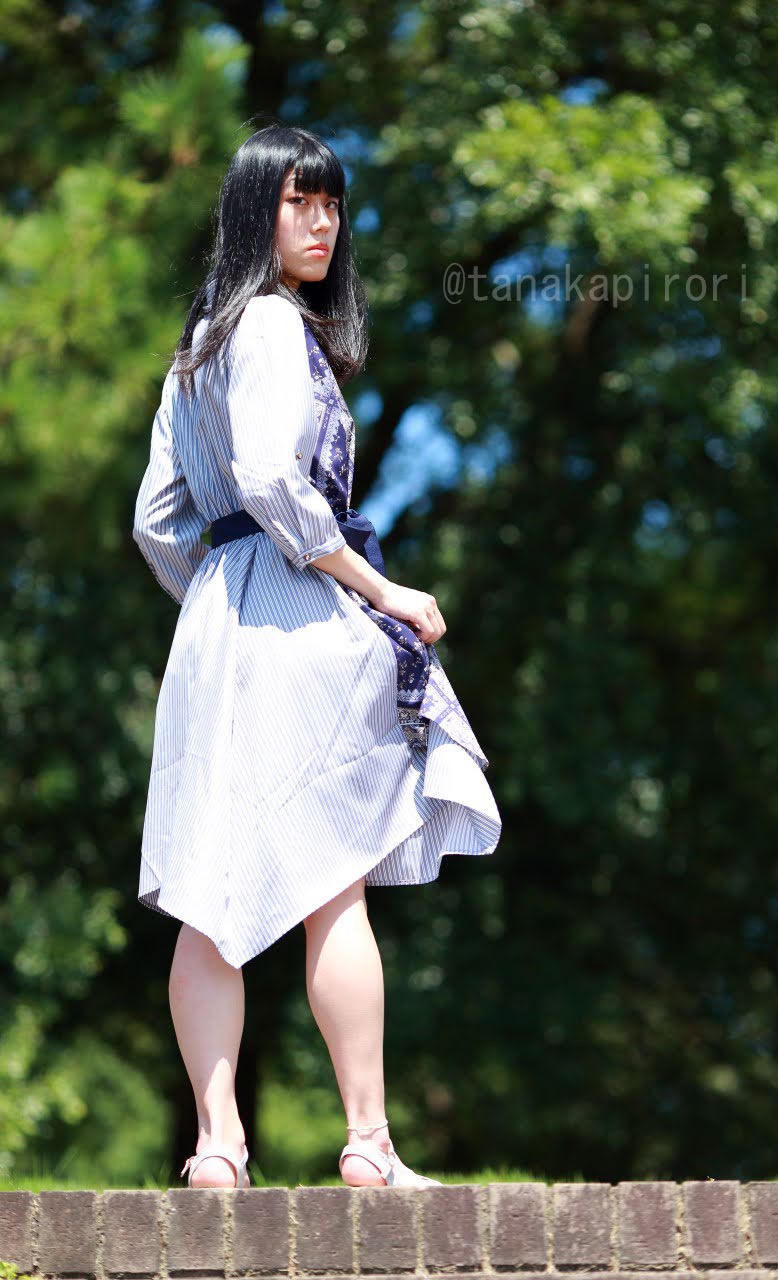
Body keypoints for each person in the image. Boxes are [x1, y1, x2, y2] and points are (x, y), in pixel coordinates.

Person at [131, 122, 501, 1191]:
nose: (323, 222)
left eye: (332, 203)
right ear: (256, 211)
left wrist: (219, 597)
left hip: (216, 627)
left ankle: (216, 1146)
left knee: (207, 892)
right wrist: (378, 588)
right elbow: (270, 477)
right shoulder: (270, 325)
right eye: (300, 201)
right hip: (293, 617)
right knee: (334, 888)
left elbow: (157, 521)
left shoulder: (192, 352)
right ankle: (367, 1143)